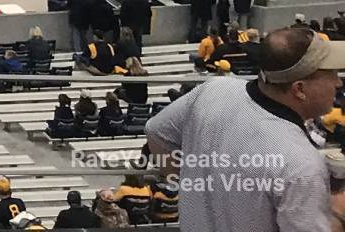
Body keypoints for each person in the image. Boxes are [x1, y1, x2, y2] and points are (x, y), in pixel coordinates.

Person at [145, 22, 344, 232]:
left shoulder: (213, 90)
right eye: (330, 74)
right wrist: (338, 213)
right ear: (300, 89)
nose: (338, 83)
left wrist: (196, 185)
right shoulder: (302, 165)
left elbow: (156, 131)